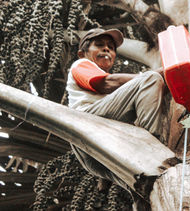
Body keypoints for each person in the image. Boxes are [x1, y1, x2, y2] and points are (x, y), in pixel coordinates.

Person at [66, 27, 165, 190]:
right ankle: (152, 146)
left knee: (143, 188)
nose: (106, 49)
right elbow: (105, 83)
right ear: (82, 53)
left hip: (100, 153)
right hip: (90, 124)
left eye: (111, 48)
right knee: (152, 78)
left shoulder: (117, 96)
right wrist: (162, 72)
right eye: (99, 45)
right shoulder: (81, 64)